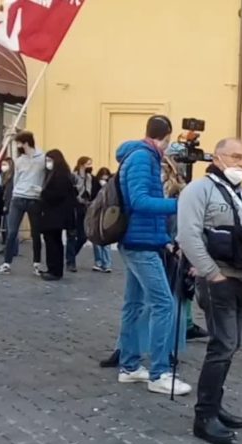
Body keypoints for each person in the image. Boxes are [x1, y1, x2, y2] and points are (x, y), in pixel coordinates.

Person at [177, 137, 242, 444]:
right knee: (222, 345)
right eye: (235, 156)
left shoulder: (240, 195)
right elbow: (188, 236)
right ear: (217, 158)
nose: (241, 163)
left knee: (231, 345)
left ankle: (215, 406)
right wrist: (212, 273)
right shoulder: (198, 191)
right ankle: (203, 416)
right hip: (218, 279)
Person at [114, 115, 192, 397]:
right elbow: (139, 201)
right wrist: (179, 203)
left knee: (134, 304)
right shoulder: (142, 158)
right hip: (140, 242)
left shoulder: (139, 155)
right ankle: (159, 373)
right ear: (166, 137)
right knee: (163, 304)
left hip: (142, 239)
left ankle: (130, 366)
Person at [161, 155, 207, 341]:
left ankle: (181, 328)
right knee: (178, 292)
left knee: (177, 291)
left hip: (172, 246)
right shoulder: (178, 194)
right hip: (175, 247)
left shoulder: (173, 193)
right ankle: (178, 330)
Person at [0, 131, 46, 275]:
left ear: (26, 143)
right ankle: (6, 263)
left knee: (35, 233)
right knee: (12, 232)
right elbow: (15, 180)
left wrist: (41, 190)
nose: (18, 146)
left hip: (34, 198)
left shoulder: (42, 158)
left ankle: (37, 264)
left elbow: (47, 177)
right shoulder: (19, 160)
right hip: (18, 197)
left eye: (19, 143)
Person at [39, 150, 78, 281]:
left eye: (49, 160)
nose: (47, 163)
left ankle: (55, 271)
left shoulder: (60, 176)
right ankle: (53, 269)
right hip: (54, 214)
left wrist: (42, 193)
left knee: (53, 242)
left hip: (56, 215)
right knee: (53, 242)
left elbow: (58, 195)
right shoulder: (57, 174)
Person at [66, 156, 95, 272]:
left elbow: (90, 191)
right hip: (74, 207)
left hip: (85, 207)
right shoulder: (74, 176)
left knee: (83, 236)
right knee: (72, 234)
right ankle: (70, 262)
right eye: (88, 164)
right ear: (81, 164)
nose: (90, 166)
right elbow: (72, 191)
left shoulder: (89, 178)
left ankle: (71, 255)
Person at [91, 167, 113, 272]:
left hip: (107, 214)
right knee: (97, 239)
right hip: (97, 214)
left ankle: (107, 263)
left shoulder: (111, 186)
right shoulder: (95, 184)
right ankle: (99, 262)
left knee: (106, 239)